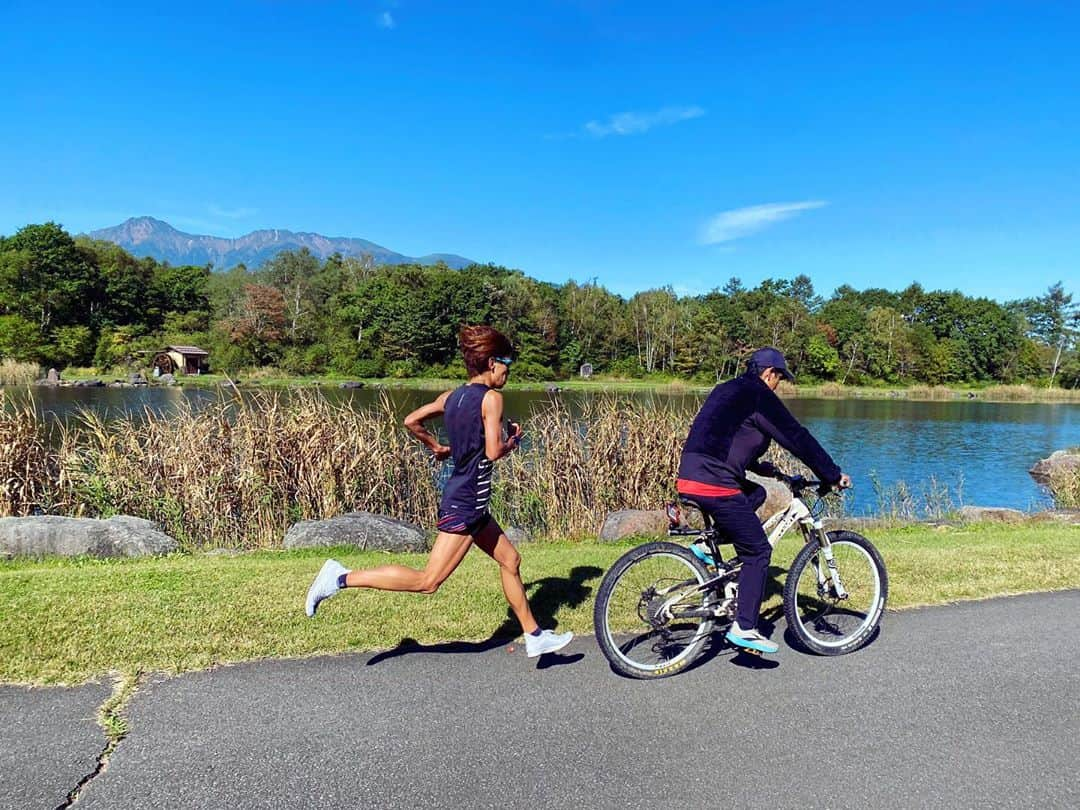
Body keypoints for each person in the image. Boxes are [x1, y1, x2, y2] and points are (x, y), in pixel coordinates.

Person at [304, 325, 574, 659]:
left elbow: (411, 420)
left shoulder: (452, 397)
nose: (508, 371)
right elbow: (491, 452)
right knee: (428, 581)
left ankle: (534, 635)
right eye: (507, 363)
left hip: (466, 497)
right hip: (467, 504)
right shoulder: (492, 399)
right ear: (492, 362)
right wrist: (512, 442)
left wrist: (437, 447)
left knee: (510, 559)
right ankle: (340, 578)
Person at [676, 346, 851, 655]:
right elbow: (796, 437)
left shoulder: (727, 389)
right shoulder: (759, 395)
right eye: (779, 380)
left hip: (691, 472)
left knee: (755, 492)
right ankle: (744, 627)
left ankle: (706, 546)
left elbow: (725, 435)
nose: (777, 386)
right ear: (769, 374)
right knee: (757, 551)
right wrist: (832, 474)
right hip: (714, 480)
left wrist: (762, 468)